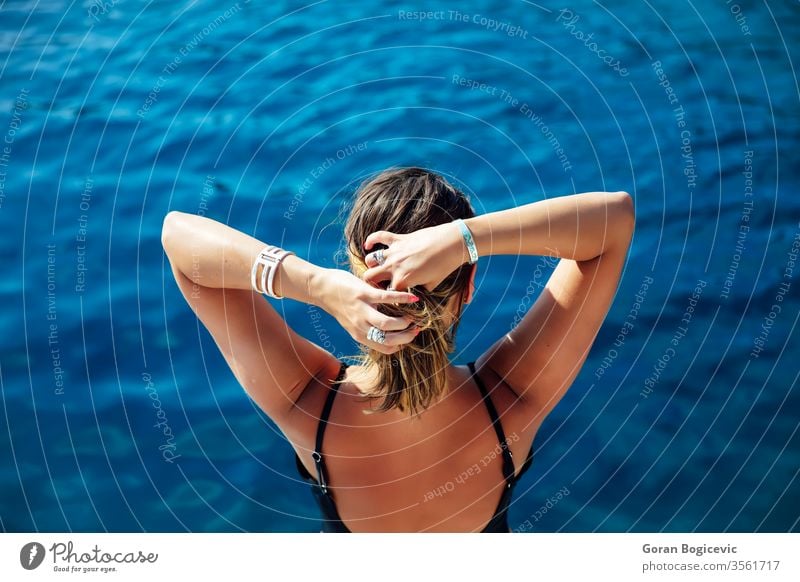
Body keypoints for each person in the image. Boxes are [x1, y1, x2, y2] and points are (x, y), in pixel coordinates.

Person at [161, 167, 635, 532]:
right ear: (468, 287)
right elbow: (614, 220)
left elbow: (179, 238)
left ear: (353, 277)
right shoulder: (511, 398)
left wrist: (318, 286)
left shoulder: (308, 403)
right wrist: (465, 239)